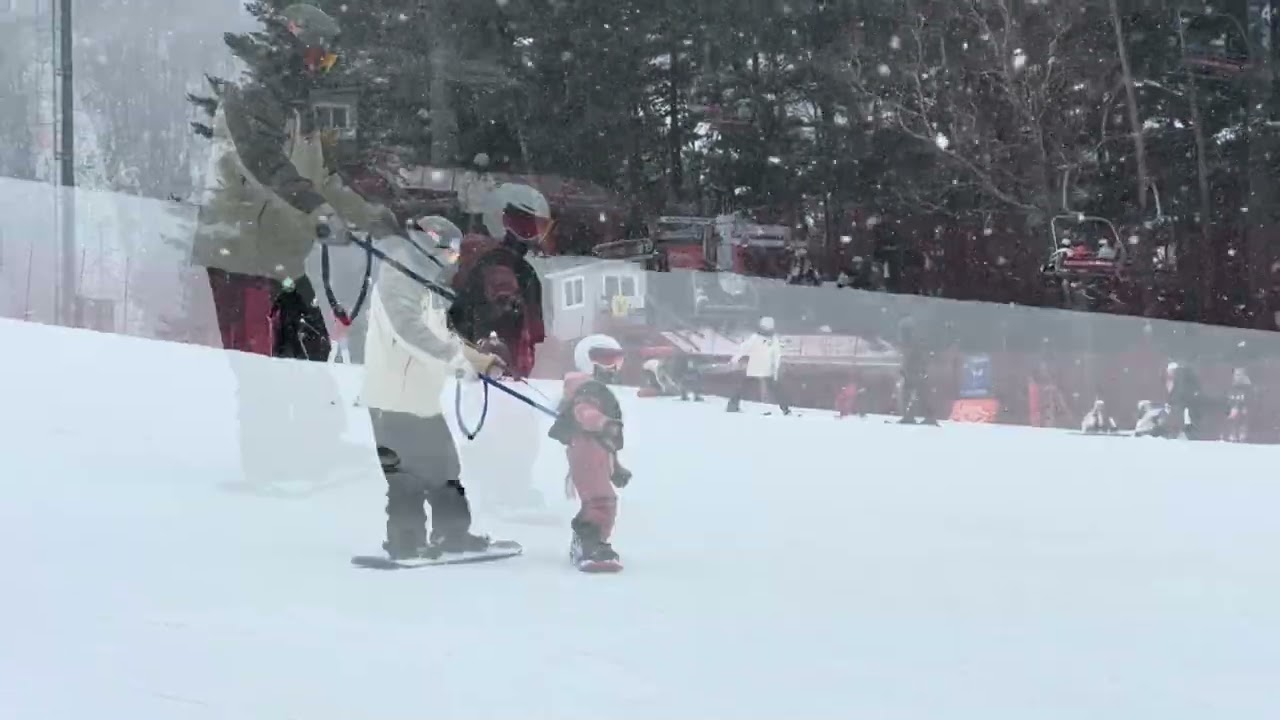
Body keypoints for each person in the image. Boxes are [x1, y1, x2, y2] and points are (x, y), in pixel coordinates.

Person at [191, 3, 399, 357]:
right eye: (319, 56)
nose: (320, 67)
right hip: (240, 260)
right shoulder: (249, 96)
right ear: (293, 46)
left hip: (281, 263)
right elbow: (266, 166)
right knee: (254, 364)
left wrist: (369, 216)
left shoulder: (299, 108)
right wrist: (318, 211)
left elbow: (323, 178)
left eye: (328, 61)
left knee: (312, 352)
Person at [357, 216, 506, 559]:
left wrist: (481, 361)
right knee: (405, 475)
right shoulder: (399, 275)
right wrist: (455, 362)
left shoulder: (427, 285)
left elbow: (445, 337)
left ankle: (452, 535)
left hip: (423, 398)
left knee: (444, 470)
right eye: (451, 254)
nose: (452, 261)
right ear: (431, 245)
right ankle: (405, 541)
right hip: (392, 399)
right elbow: (408, 330)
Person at [548, 372, 630, 571]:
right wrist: (604, 423)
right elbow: (587, 414)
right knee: (599, 501)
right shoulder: (585, 402)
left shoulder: (595, 429)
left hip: (592, 461)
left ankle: (592, 541)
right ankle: (589, 544)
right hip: (585, 458)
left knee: (603, 502)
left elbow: (608, 452)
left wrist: (617, 470)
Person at [726, 316, 790, 415]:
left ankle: (732, 405)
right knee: (774, 389)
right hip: (759, 369)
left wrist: (735, 359)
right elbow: (745, 348)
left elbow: (776, 356)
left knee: (744, 387)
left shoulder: (769, 339)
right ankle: (785, 409)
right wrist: (735, 359)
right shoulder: (759, 338)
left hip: (761, 369)